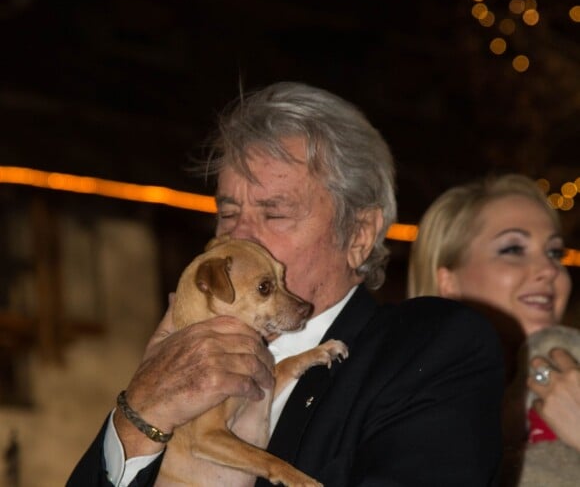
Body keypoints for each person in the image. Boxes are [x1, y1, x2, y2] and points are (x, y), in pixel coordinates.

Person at [67, 82, 504, 486]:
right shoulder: (175, 362)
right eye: (229, 213)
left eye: (275, 214)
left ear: (358, 235)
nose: (240, 238)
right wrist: (140, 416)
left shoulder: (429, 348)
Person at [407, 172, 580, 483]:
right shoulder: (401, 402)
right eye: (513, 249)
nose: (549, 270)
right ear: (448, 283)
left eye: (555, 252)